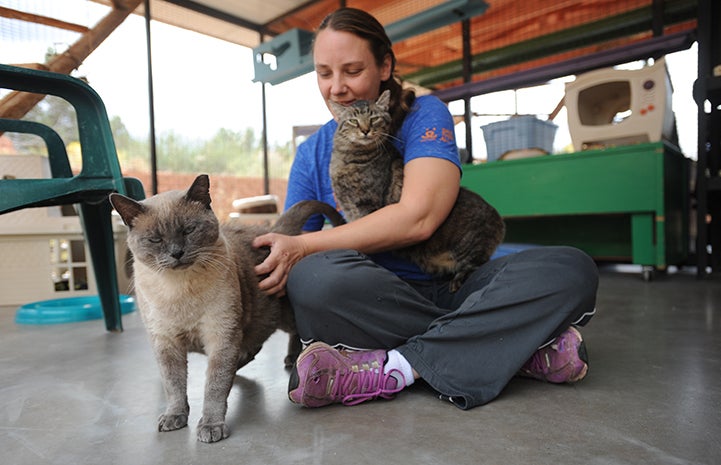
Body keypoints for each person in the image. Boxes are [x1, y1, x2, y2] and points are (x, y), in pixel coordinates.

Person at [253, 7, 598, 410]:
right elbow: (294, 250)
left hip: (459, 287)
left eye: (351, 70)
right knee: (312, 280)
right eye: (324, 73)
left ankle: (394, 367)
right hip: (375, 298)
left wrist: (309, 247)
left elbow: (420, 218)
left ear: (385, 66)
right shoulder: (311, 153)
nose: (337, 87)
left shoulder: (424, 114)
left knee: (570, 269)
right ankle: (511, 347)